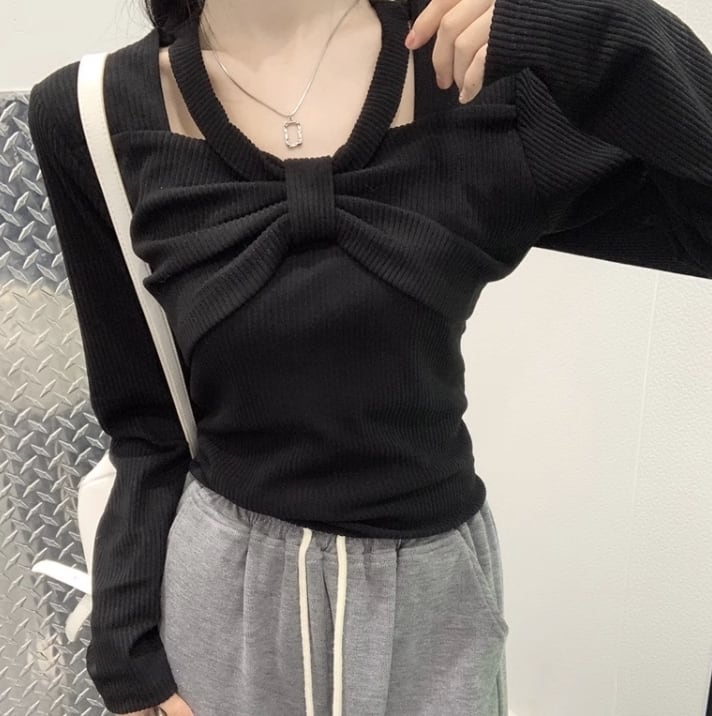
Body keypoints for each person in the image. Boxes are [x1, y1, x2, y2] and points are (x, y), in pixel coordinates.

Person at [27, 0, 712, 713]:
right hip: (224, 609)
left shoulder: (475, 72)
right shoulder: (89, 113)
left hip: (431, 615)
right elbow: (145, 421)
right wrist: (127, 654)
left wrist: (609, 34)